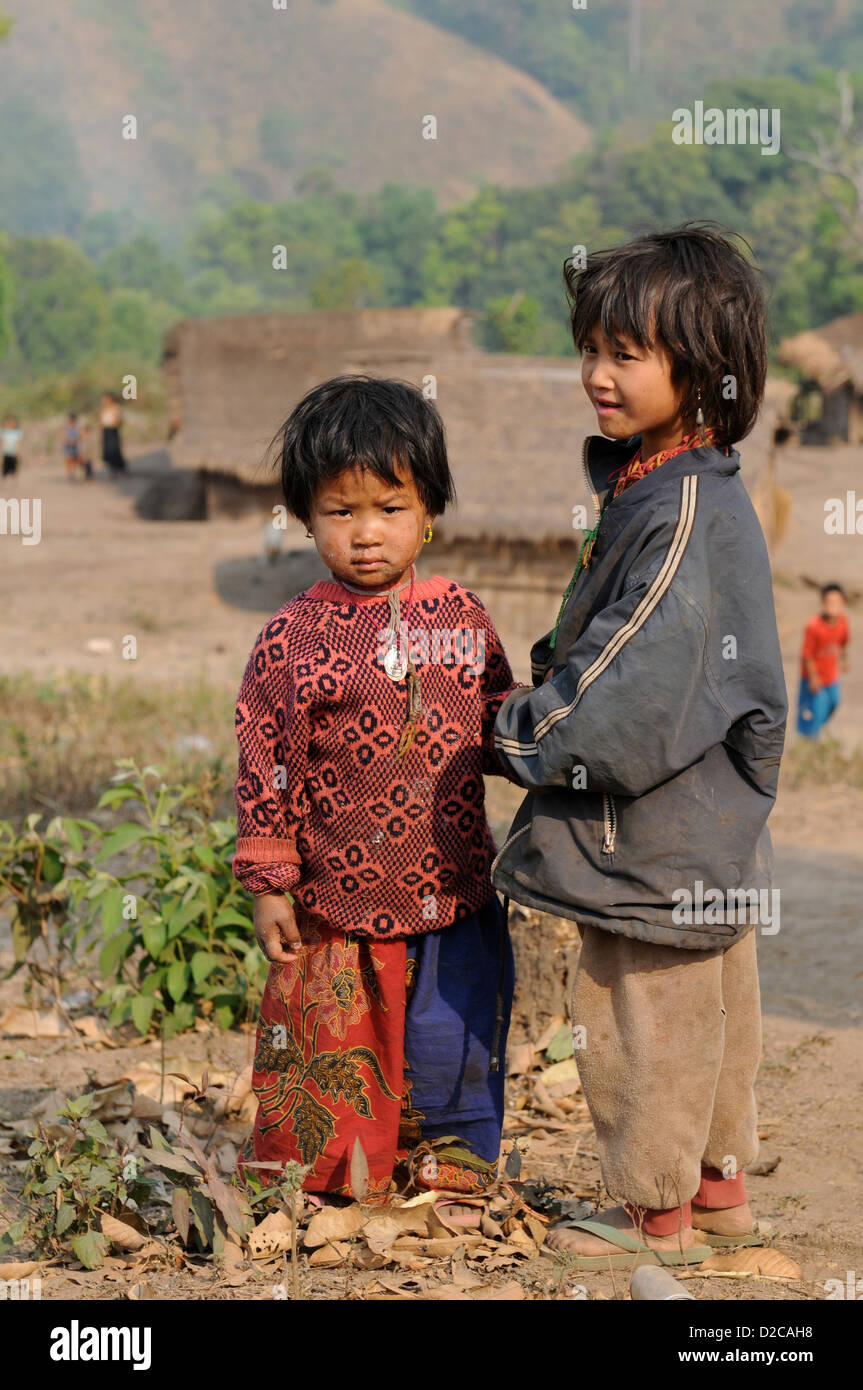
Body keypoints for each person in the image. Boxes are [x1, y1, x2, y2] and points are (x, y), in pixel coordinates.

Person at [491, 224, 787, 1269]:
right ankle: (715, 1193)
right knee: (714, 1006)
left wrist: (514, 728)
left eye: (623, 354)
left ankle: (651, 1214)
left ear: (700, 370)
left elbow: (628, 683)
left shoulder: (680, 507)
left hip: (648, 831)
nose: (594, 376)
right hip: (707, 823)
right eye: (589, 350)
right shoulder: (666, 485)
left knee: (638, 1014)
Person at [233, 375, 520, 1202]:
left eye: (388, 509)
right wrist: (268, 880)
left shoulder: (464, 616)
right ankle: (328, 1176)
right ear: (304, 518)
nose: (365, 534)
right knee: (334, 1043)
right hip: (334, 898)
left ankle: (454, 1171)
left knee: (449, 1037)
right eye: (339, 512)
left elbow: (500, 724)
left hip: (451, 887)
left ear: (429, 510)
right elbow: (266, 761)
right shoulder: (292, 636)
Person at [797, 584, 850, 738]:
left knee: (834, 703)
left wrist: (845, 660)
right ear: (822, 602)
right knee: (814, 710)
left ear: (843, 604)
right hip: (814, 678)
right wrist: (813, 678)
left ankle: (816, 728)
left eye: (835, 602)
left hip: (831, 676)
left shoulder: (843, 622)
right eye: (828, 602)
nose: (831, 606)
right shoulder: (814, 626)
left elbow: (843, 643)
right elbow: (806, 655)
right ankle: (809, 741)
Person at [99, 393, 127, 473]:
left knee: (114, 449)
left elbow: (119, 420)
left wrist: (113, 424)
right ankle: (112, 467)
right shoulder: (103, 409)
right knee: (108, 450)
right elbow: (101, 421)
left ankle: (119, 467)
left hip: (113, 430)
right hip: (106, 430)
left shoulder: (116, 407)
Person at [2, 413, 21, 478]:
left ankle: (13, 483)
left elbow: (19, 443)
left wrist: (18, 452)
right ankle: (4, 483)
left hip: (14, 452)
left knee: (14, 468)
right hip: (6, 452)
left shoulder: (17, 432)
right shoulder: (4, 431)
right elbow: (2, 442)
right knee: (5, 469)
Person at [63, 412, 81, 479]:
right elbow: (64, 436)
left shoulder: (77, 427)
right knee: (68, 459)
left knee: (74, 460)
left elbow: (79, 436)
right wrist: (67, 441)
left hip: (74, 445)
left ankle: (73, 472)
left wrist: (74, 441)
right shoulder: (67, 427)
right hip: (68, 445)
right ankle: (69, 473)